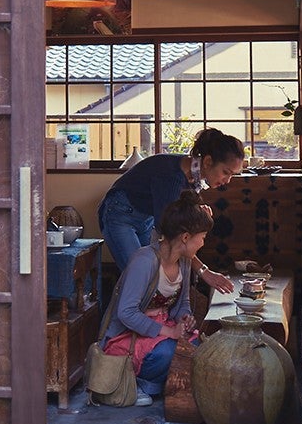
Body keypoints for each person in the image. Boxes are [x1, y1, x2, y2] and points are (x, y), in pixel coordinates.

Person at [97, 126, 245, 297]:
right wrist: (204, 272)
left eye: (233, 175)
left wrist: (196, 214)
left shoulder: (194, 175)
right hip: (119, 215)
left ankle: (153, 321)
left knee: (151, 278)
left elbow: (178, 220)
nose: (227, 180)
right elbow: (174, 234)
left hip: (145, 220)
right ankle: (117, 322)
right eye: (226, 172)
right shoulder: (171, 177)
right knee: (141, 278)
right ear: (208, 162)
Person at [101, 192, 210, 408]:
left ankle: (158, 382)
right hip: (128, 337)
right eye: (203, 237)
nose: (203, 243)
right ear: (186, 237)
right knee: (168, 353)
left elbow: (183, 304)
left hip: (159, 331)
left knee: (197, 346)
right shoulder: (145, 261)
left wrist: (184, 319)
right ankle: (136, 382)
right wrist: (169, 332)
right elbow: (126, 313)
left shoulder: (185, 262)